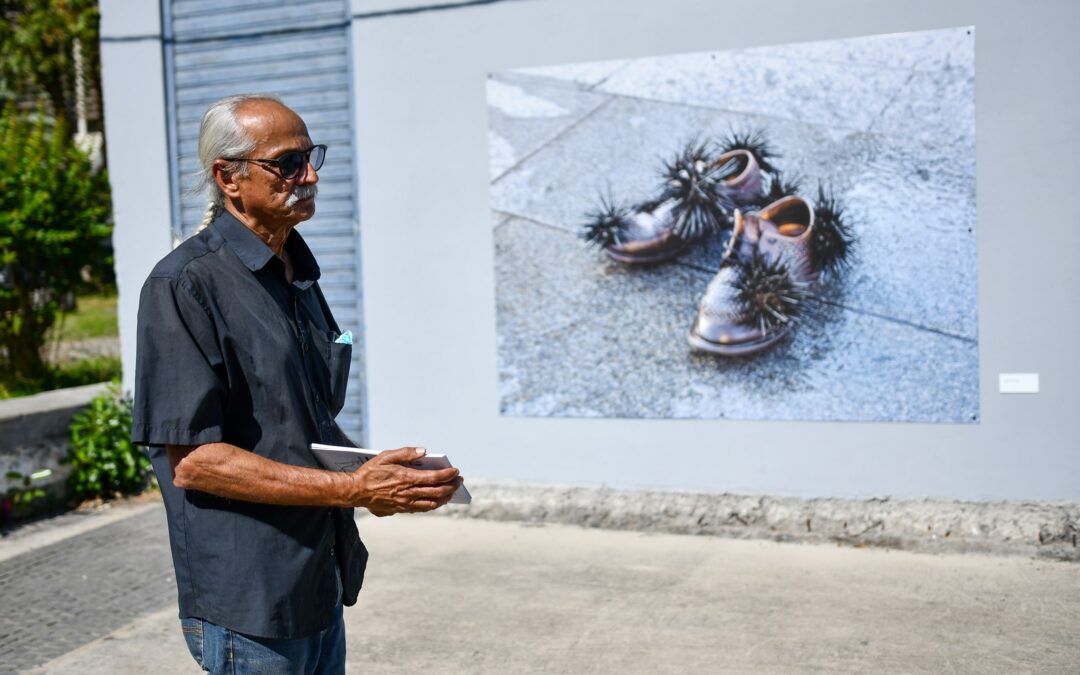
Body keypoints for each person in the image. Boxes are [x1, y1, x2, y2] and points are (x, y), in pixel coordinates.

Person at [132, 93, 462, 674]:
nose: (308, 176)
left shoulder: (296, 270)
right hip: (252, 600)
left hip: (317, 580)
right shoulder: (185, 286)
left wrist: (378, 473)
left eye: (311, 158)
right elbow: (196, 462)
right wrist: (353, 490)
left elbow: (296, 422)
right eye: (286, 163)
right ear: (227, 178)